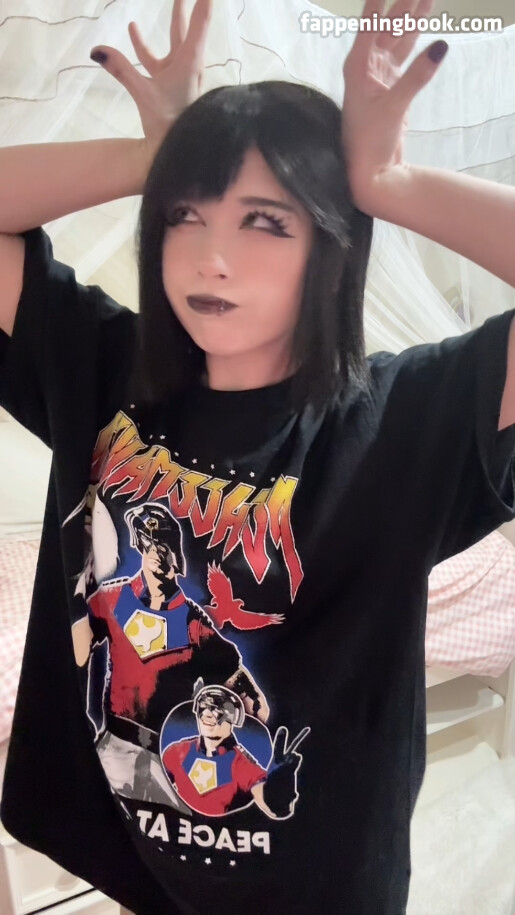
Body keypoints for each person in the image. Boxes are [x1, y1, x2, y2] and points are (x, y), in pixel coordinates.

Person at [0, 0, 514, 912]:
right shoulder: (100, 364)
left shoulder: (404, 420)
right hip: (126, 844)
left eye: (265, 223)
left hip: (313, 886)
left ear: (331, 241)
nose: (212, 258)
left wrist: (387, 181)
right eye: (184, 217)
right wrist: (149, 159)